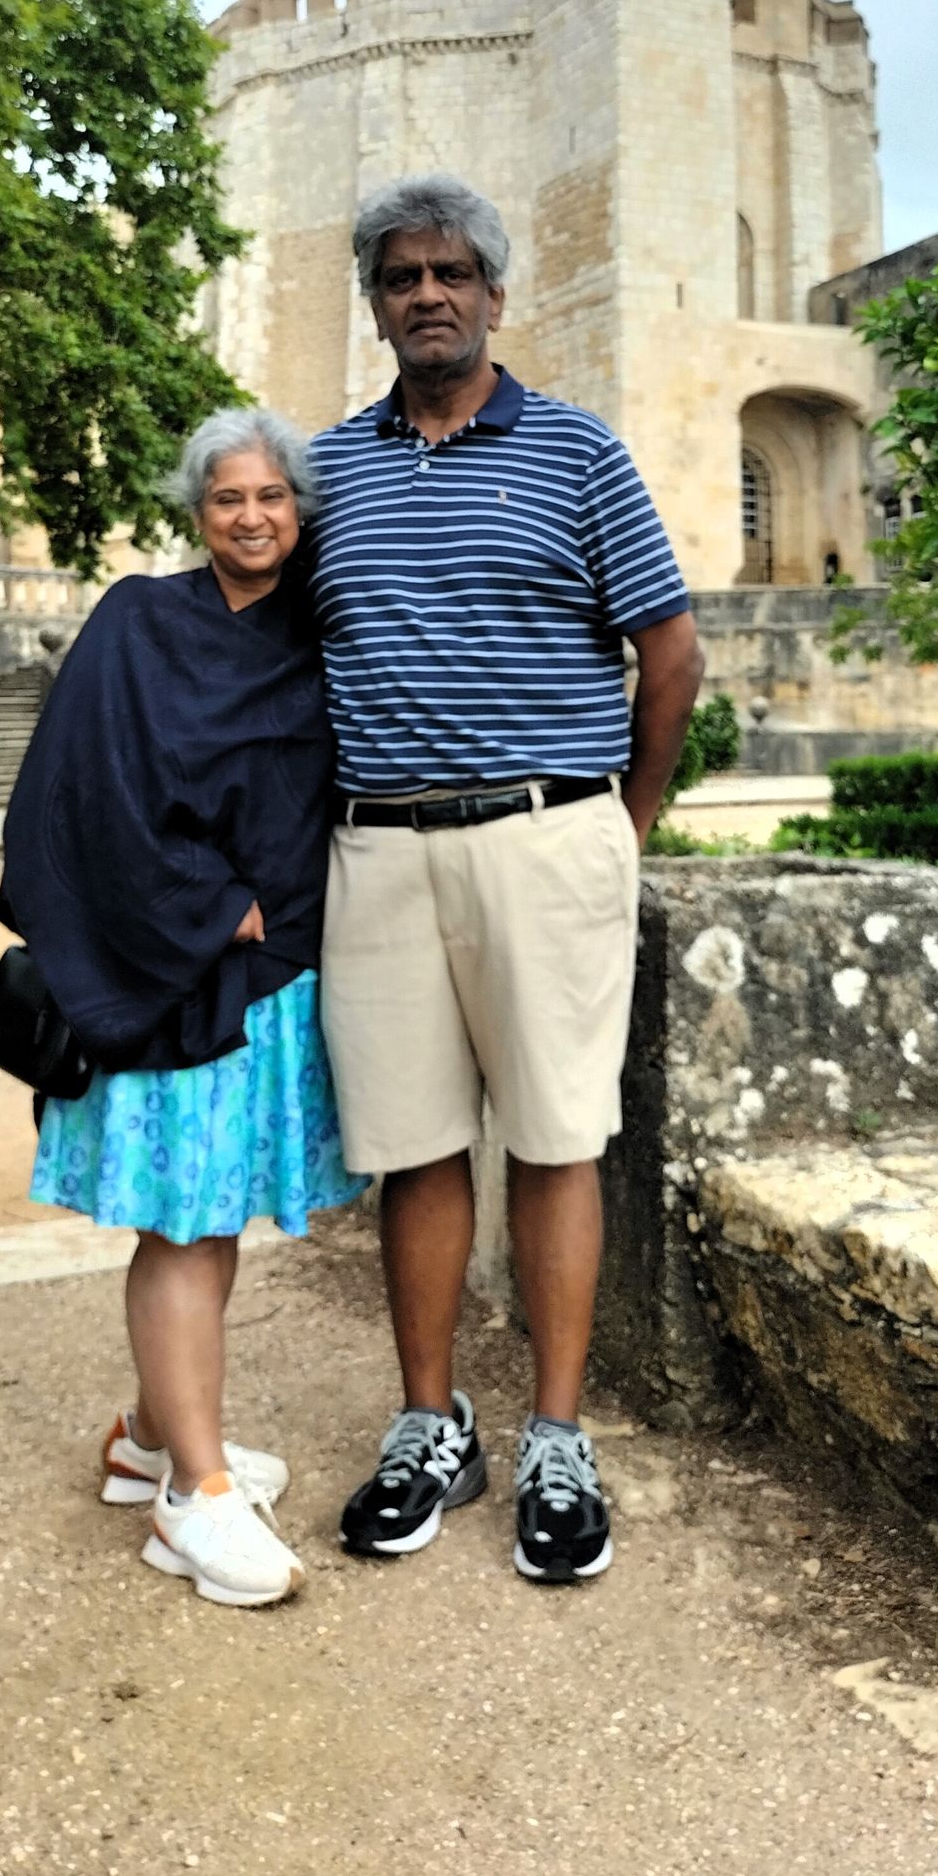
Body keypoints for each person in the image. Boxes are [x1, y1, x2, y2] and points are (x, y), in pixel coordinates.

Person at [313, 173, 704, 1586]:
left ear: (494, 293)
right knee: (411, 1147)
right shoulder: (326, 469)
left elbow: (670, 653)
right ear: (375, 301)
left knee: (555, 1139)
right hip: (376, 847)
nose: (429, 292)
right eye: (403, 273)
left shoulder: (580, 454)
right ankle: (432, 1423)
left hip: (549, 834)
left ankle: (555, 1434)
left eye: (454, 271)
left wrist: (625, 826)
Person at [0, 407, 365, 1610]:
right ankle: (194, 1494)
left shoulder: (320, 635)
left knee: (208, 1219)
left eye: (272, 496)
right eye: (228, 499)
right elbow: (77, 792)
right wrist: (211, 907)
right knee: (182, 1225)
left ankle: (148, 1437)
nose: (252, 516)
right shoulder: (137, 623)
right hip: (168, 959)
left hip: (273, 976)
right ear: (196, 512)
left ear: (299, 509)